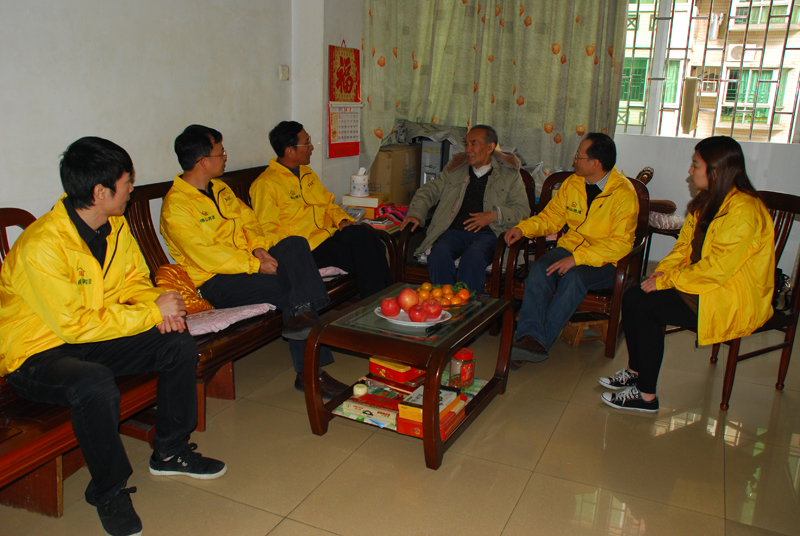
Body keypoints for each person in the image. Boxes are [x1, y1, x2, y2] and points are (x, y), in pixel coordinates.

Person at [0, 137, 226, 536]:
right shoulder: (42, 246)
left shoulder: (115, 226)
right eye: (127, 183)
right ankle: (108, 490)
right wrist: (150, 314)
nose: (132, 189)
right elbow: (73, 325)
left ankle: (171, 451)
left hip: (93, 337)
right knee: (94, 383)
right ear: (100, 192)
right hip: (37, 355)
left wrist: (161, 306)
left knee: (176, 344)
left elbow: (134, 281)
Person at [160, 125, 348, 398]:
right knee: (292, 287)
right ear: (203, 161)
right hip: (216, 282)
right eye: (221, 152)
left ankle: (304, 315)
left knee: (295, 244)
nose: (225, 156)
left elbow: (249, 221)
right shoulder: (176, 206)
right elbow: (206, 255)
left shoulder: (220, 189)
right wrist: (254, 265)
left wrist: (259, 249)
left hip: (248, 264)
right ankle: (311, 373)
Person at [599, 136, 774, 412]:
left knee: (646, 307)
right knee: (633, 296)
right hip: (700, 282)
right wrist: (661, 273)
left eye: (695, 165)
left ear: (715, 171)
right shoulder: (707, 201)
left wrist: (667, 281)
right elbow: (683, 248)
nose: (690, 171)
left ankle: (646, 396)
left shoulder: (745, 211)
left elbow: (718, 269)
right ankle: (635, 372)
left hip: (727, 294)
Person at [506, 133, 638, 366]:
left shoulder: (624, 194)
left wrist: (578, 259)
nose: (574, 160)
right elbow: (551, 218)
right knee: (540, 268)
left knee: (574, 278)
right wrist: (523, 229)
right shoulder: (573, 183)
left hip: (606, 261)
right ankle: (529, 338)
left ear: (595, 163)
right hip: (571, 249)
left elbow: (620, 244)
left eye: (578, 156)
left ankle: (536, 343)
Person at [249, 121, 392, 300]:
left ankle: (383, 302)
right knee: (368, 253)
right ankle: (380, 303)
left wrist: (342, 220)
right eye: (307, 143)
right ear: (290, 150)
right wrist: (293, 256)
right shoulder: (266, 184)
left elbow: (328, 204)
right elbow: (267, 227)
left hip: (329, 235)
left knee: (365, 235)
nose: (311, 147)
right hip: (308, 249)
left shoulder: (307, 173)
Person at [400, 125, 530, 293]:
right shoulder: (455, 170)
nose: (468, 149)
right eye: (466, 144)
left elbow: (522, 211)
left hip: (488, 234)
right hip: (453, 231)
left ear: (490, 147)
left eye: (473, 144)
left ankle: (467, 305)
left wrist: (493, 215)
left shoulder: (509, 175)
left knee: (473, 256)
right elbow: (428, 191)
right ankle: (445, 301)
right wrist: (416, 213)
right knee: (438, 254)